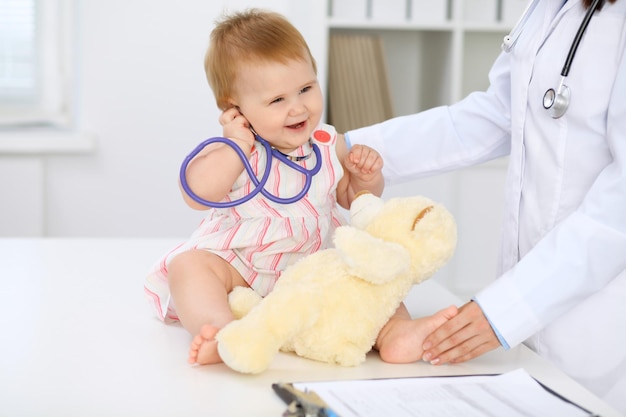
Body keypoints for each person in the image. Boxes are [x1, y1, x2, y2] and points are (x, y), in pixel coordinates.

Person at [346, 0, 626, 412]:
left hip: (597, 326)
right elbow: (497, 114)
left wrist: (507, 310)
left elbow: (617, 210)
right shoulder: (549, 6)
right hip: (525, 323)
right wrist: (349, 150)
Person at [144, 9, 395, 367]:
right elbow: (197, 195)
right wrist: (237, 144)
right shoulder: (235, 152)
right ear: (235, 108)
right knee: (188, 266)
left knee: (374, 276)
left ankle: (394, 334)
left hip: (310, 269)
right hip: (242, 270)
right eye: (277, 100)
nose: (298, 108)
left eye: (306, 88)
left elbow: (353, 200)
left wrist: (366, 178)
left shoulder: (327, 144)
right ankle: (224, 332)